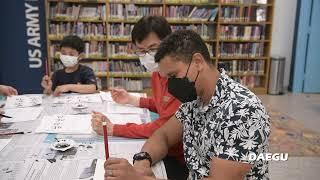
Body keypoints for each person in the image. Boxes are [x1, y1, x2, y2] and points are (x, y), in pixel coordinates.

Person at [103, 30, 270, 180]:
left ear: (197, 62)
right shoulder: (195, 100)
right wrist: (142, 161)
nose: (171, 86)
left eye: (174, 75)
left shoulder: (243, 110)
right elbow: (163, 136)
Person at [91, 16, 187, 179]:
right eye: (141, 51)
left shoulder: (180, 77)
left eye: (153, 48)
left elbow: (164, 124)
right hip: (162, 149)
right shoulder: (158, 73)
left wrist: (115, 129)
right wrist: (132, 100)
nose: (148, 56)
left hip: (180, 158)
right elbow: (163, 106)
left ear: (169, 43)